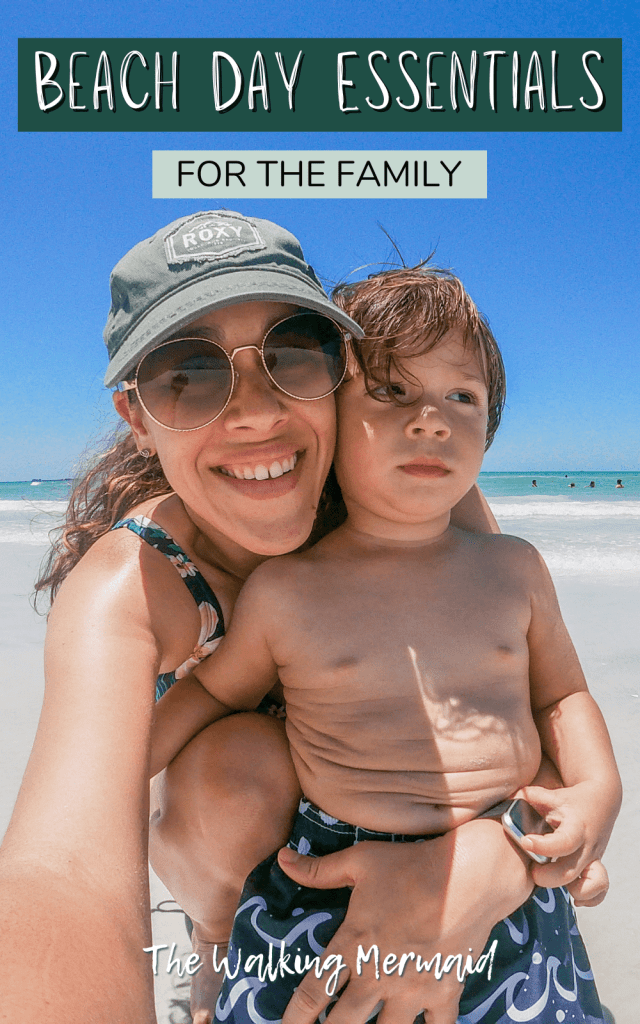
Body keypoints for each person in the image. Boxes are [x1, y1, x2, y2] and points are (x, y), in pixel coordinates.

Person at [0, 212, 609, 1024]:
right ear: (138, 415)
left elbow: (523, 686)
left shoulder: (420, 491)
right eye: (189, 375)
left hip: (450, 816)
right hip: (272, 843)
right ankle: (221, 950)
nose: (255, 413)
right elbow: (63, 867)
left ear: (343, 371)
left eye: (292, 354)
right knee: (236, 771)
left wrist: (499, 855)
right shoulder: (137, 583)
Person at [151, 266, 620, 1024]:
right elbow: (209, 695)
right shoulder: (288, 591)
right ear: (329, 420)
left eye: (460, 397)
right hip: (325, 879)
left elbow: (562, 693)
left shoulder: (514, 570)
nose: (432, 419)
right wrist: (115, 777)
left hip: (502, 868)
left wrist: (597, 790)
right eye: (393, 392)